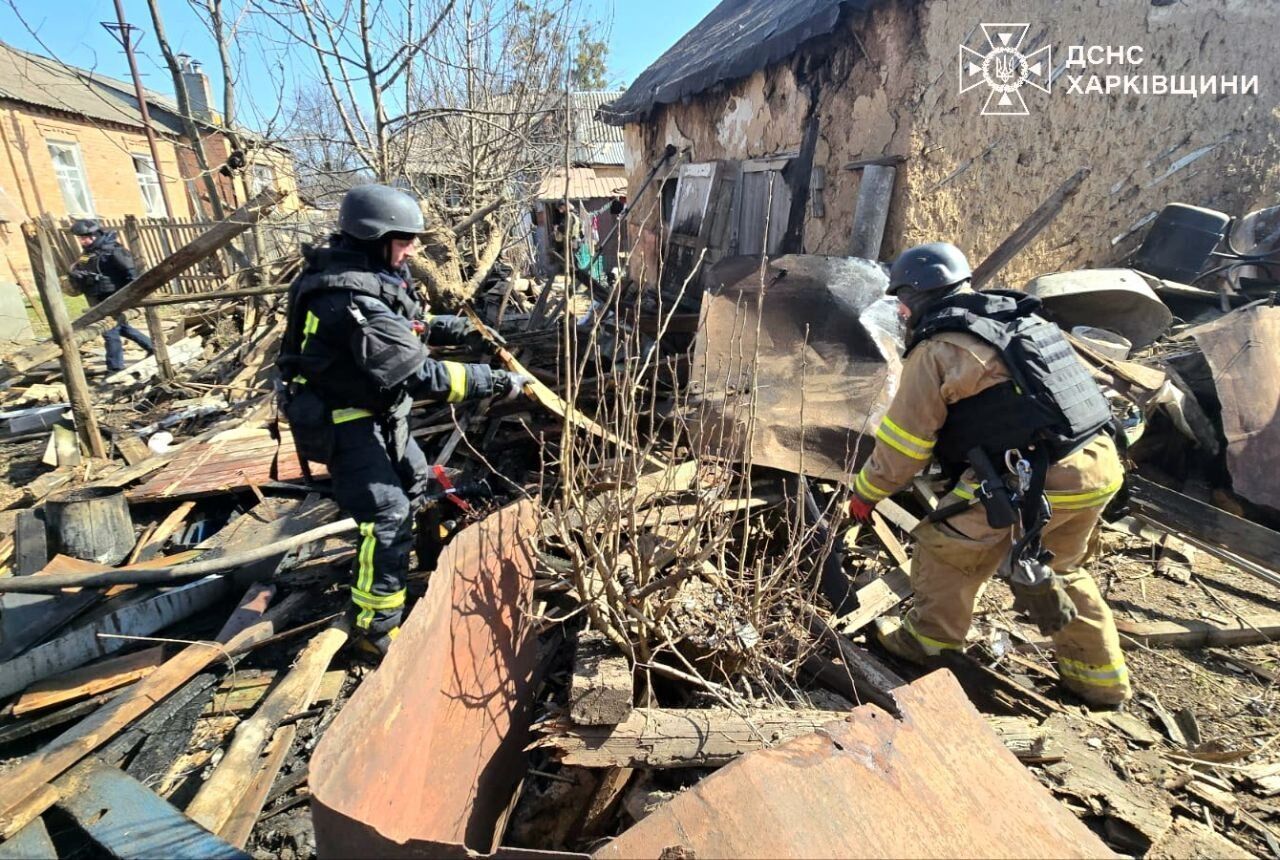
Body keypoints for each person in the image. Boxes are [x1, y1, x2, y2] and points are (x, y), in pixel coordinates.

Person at [848, 242, 1131, 707]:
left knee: (946, 550)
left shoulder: (938, 347)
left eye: (901, 302)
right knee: (1062, 566)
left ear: (916, 297)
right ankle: (1100, 681)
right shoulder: (1018, 319)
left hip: (1036, 477)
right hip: (1098, 465)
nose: (900, 313)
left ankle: (928, 643)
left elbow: (905, 446)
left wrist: (867, 492)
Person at [276, 184, 530, 657]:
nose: (413, 248)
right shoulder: (349, 299)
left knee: (416, 483)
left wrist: (460, 330)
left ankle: (411, 567)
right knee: (386, 515)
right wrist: (493, 382)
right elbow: (419, 375)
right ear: (375, 238)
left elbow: (406, 324)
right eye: (404, 239)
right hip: (344, 422)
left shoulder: (367, 274)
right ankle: (374, 628)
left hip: (378, 413)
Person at [67, 219, 154, 372]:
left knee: (108, 330)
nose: (83, 241)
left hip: (114, 296)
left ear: (96, 235)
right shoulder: (89, 253)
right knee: (121, 327)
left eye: (86, 237)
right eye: (80, 238)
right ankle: (153, 347)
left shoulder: (113, 250)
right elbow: (86, 267)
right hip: (97, 296)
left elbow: (131, 273)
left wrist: (133, 295)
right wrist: (78, 274)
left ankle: (115, 367)